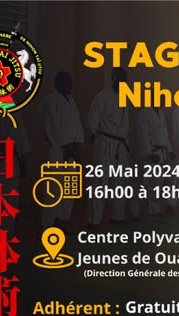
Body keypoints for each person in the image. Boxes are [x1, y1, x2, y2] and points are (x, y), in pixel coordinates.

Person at [85, 67, 131, 227]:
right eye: (119, 78)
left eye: (124, 79)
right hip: (104, 142)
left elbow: (125, 124)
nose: (122, 82)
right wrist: (95, 135)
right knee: (99, 182)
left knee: (120, 182)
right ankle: (94, 220)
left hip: (120, 145)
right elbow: (92, 122)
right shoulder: (101, 97)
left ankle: (118, 216)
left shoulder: (125, 98)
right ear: (112, 78)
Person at [41, 70, 84, 232]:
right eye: (66, 81)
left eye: (70, 81)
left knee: (69, 188)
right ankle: (47, 224)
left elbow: (78, 125)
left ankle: (62, 221)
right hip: (57, 150)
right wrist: (65, 145)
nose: (69, 84)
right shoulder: (51, 100)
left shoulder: (71, 101)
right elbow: (51, 126)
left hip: (71, 151)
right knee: (53, 188)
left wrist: (78, 144)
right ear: (58, 83)